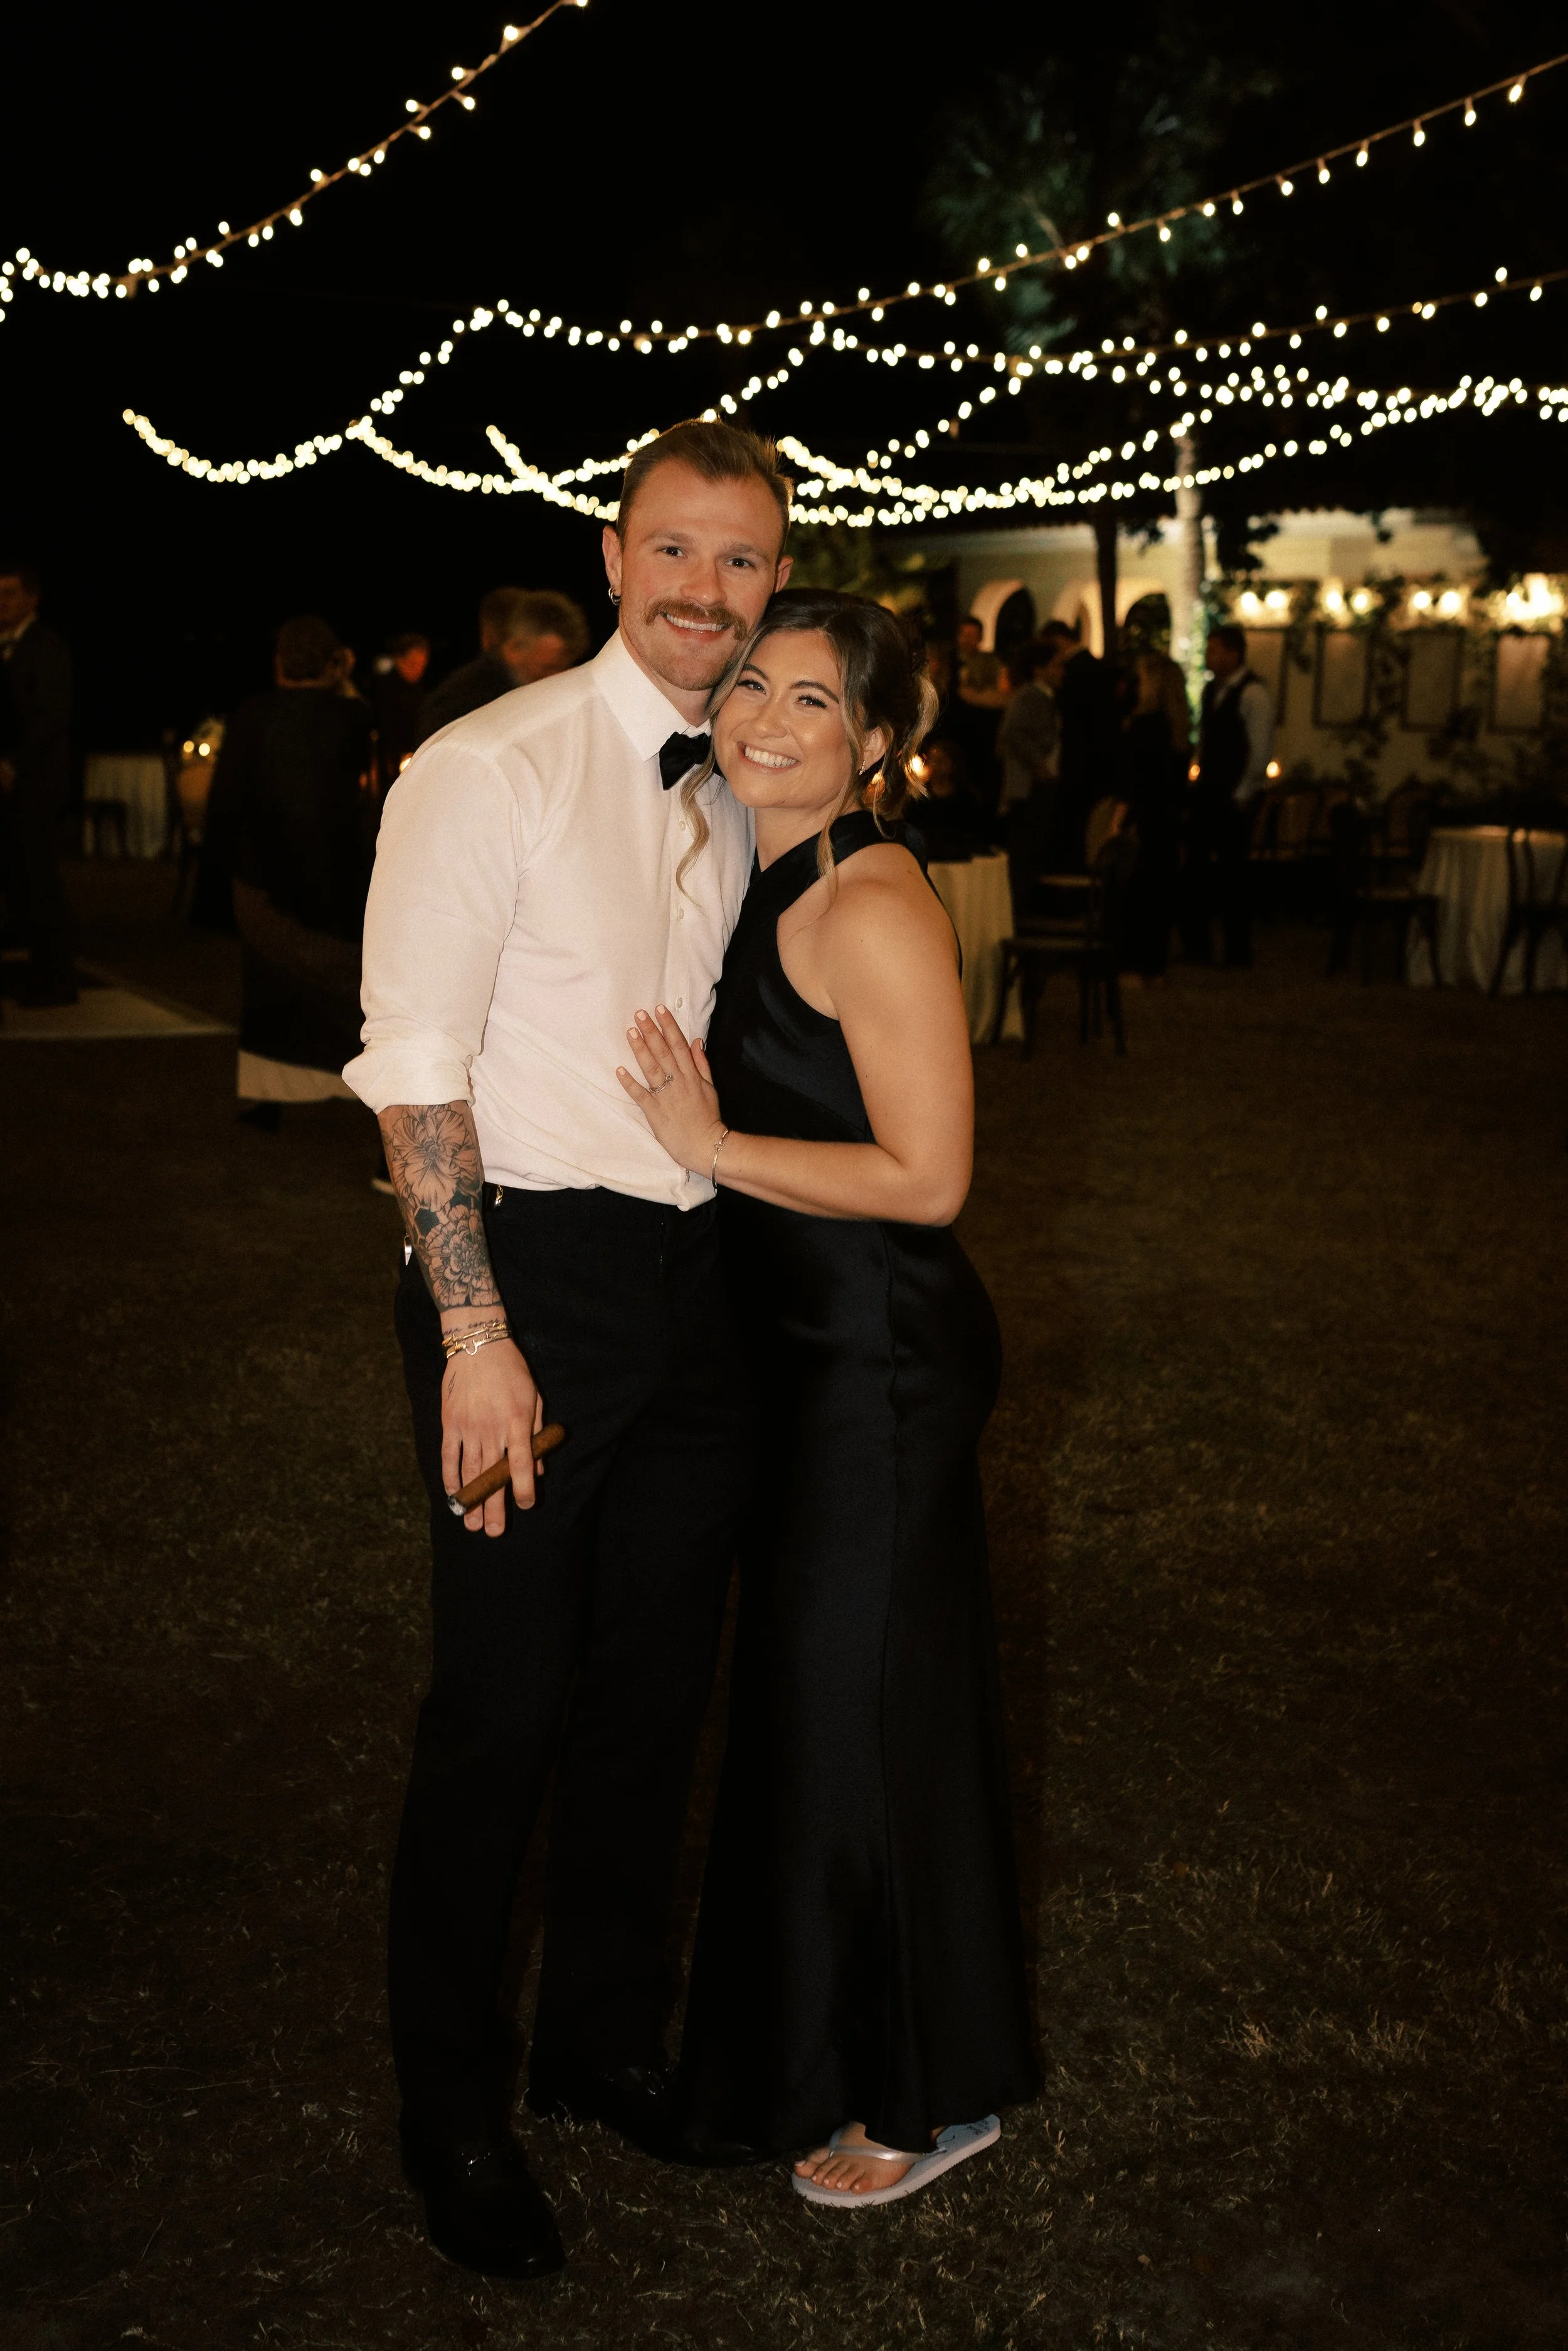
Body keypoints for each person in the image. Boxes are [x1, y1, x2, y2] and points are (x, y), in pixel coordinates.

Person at [343, 420, 793, 2281]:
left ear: (776, 580)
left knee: (650, 1691)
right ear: (611, 555)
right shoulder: (488, 764)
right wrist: (474, 1332)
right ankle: (449, 2105)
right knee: (502, 1706)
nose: (703, 590)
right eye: (673, 549)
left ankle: (600, 2039)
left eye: (741, 560)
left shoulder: (738, 784)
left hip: (694, 1284)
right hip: (522, 1276)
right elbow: (415, 1065)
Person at [616, 587, 1037, 2204]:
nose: (767, 721)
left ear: (876, 740)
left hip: (881, 1361)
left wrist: (713, 1146)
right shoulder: (763, 863)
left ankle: (924, 2091)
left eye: (813, 700)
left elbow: (930, 1179)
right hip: (805, 1360)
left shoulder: (865, 903)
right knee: (827, 1703)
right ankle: (822, 2046)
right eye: (750, 686)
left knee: (864, 1711)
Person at [203, 614, 376, 1127]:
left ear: (279, 663)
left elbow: (227, 800)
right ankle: (362, 1086)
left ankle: (269, 1097)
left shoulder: (253, 715)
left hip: (264, 878)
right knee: (346, 980)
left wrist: (223, 873)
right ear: (332, 663)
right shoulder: (353, 718)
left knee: (271, 984)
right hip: (337, 878)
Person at [0, 560, 76, 1007]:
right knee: (17, 879)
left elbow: (52, 716)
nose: (1, 604)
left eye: (9, 594)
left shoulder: (46, 646)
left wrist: (13, 763)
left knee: (38, 879)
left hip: (37, 781)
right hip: (10, 781)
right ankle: (33, 967)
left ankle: (56, 976)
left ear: (32, 598)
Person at [1180, 624, 1273, 968]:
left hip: (1234, 796)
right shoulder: (1211, 691)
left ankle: (1237, 949)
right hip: (1209, 791)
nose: (1208, 656)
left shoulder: (1253, 694)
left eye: (1214, 650)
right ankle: (1197, 945)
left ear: (1233, 654)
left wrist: (1243, 793)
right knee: (1196, 868)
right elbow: (1207, 740)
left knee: (1234, 875)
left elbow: (1260, 749)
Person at [417, 588, 589, 742]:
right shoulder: (461, 703)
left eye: (565, 669)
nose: (558, 678)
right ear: (515, 648)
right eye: (548, 668)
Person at [1118, 652, 1190, 980]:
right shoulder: (1178, 731)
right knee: (1160, 891)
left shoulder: (1143, 727)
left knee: (1137, 891)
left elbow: (1132, 783)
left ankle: (1133, 963)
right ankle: (1155, 964)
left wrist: (1116, 822)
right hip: (1167, 819)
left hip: (1143, 818)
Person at [1039, 618, 1116, 869]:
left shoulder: (1075, 671)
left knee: (1073, 827)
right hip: (1097, 762)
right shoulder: (1098, 667)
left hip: (1078, 761)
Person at [948, 613, 1009, 807]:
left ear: (981, 638)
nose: (967, 640)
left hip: (981, 733)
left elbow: (999, 694)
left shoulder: (990, 662)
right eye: (964, 635)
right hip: (953, 730)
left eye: (972, 635)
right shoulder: (948, 662)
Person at [908, 736, 995, 862]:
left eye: (941, 761)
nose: (936, 766)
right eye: (933, 761)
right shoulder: (918, 798)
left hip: (961, 862)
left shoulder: (967, 798)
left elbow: (976, 832)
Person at [373, 634, 431, 788]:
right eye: (412, 664)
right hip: (392, 759)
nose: (418, 670)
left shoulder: (420, 691)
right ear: (399, 660)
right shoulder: (385, 689)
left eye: (422, 665)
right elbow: (386, 725)